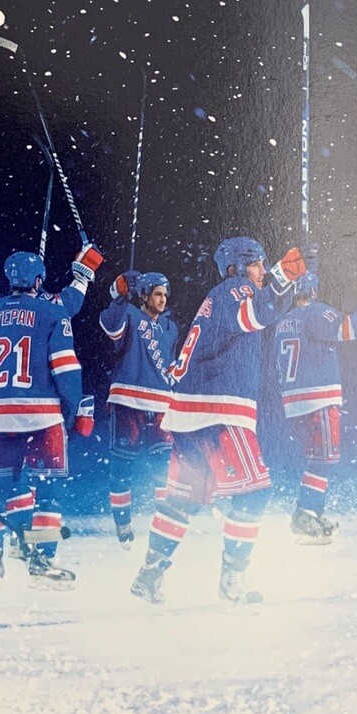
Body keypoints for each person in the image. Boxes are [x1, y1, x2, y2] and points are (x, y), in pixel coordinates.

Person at [130, 235, 305, 607]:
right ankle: (232, 580)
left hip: (188, 411)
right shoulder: (236, 288)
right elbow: (256, 314)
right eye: (258, 263)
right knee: (255, 491)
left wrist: (288, 283)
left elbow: (264, 311)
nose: (262, 271)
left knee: (184, 499)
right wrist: (284, 276)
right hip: (219, 409)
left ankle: (149, 574)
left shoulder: (219, 295)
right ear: (239, 266)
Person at [0, 245, 103, 587]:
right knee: (48, 490)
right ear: (38, 280)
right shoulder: (52, 312)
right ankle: (42, 562)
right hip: (40, 416)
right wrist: (74, 409)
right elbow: (65, 367)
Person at [270, 262, 357, 542]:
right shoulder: (316, 312)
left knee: (317, 459)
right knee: (324, 458)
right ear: (313, 291)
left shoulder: (283, 321)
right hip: (318, 397)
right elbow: (352, 328)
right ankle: (305, 513)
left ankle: (312, 512)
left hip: (294, 401)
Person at [99, 270, 178, 545]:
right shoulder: (130, 314)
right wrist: (120, 297)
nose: (162, 299)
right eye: (157, 294)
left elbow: (171, 365)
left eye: (165, 294)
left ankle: (165, 521)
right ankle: (123, 524)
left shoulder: (170, 328)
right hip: (127, 401)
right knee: (122, 467)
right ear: (144, 295)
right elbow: (111, 327)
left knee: (164, 467)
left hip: (161, 403)